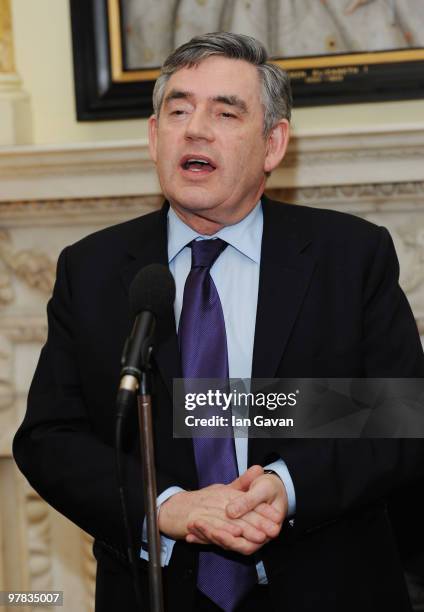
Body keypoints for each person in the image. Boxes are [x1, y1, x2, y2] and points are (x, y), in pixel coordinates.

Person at [13, 32, 424, 612]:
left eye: (225, 112)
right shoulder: (94, 268)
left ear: (273, 144)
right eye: (177, 110)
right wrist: (166, 505)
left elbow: (403, 411)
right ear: (155, 137)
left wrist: (286, 483)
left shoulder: (349, 255)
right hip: (157, 591)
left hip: (328, 584)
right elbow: (50, 438)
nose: (195, 128)